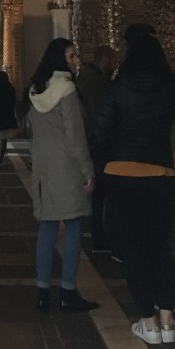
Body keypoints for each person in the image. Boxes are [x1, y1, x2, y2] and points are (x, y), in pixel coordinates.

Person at [96, 23, 175, 345]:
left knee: (134, 250)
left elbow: (101, 133)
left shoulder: (118, 87)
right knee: (160, 247)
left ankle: (148, 323)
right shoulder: (170, 88)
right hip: (159, 175)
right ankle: (168, 320)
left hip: (122, 174)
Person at [27, 37, 98, 312]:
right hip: (67, 166)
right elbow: (75, 135)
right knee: (74, 227)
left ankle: (42, 291)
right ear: (60, 60)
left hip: (44, 165)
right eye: (71, 56)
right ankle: (68, 291)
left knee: (47, 227)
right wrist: (87, 170)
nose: (76, 60)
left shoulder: (36, 90)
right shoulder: (66, 89)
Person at [76, 45, 118, 252]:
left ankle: (100, 235)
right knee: (101, 194)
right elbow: (99, 116)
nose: (115, 66)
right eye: (114, 61)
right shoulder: (95, 83)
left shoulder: (87, 78)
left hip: (91, 143)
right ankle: (101, 237)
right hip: (97, 145)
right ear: (106, 60)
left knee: (98, 194)